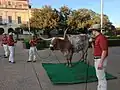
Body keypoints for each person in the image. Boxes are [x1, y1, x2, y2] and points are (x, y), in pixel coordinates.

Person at [89, 24, 108, 90]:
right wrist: (92, 43)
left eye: (92, 31)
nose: (92, 32)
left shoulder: (101, 38)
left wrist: (101, 62)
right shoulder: (97, 38)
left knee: (101, 78)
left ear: (95, 30)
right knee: (99, 77)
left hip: (100, 59)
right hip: (97, 59)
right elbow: (94, 51)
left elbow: (104, 50)